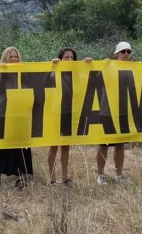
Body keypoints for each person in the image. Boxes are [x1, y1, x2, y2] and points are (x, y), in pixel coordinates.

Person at [0, 47, 33, 188]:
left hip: (19, 115)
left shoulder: (23, 73)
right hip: (2, 113)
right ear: (5, 58)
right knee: (0, 146)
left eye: (15, 57)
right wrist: (2, 70)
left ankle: (19, 177)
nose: (13, 59)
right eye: (10, 57)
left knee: (19, 146)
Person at [47, 47, 90, 185]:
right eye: (66, 57)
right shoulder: (55, 73)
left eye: (72, 57)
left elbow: (89, 78)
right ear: (60, 58)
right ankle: (52, 178)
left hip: (70, 113)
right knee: (54, 146)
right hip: (55, 113)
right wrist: (53, 66)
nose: (69, 60)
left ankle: (65, 177)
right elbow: (45, 80)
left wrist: (87, 64)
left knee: (66, 146)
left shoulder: (76, 74)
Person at [96, 41, 133, 185]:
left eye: (128, 52)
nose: (126, 54)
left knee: (120, 144)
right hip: (107, 110)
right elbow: (94, 76)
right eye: (123, 51)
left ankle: (119, 175)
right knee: (103, 144)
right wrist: (102, 64)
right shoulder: (107, 66)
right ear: (116, 54)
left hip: (123, 111)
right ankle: (100, 175)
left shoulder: (133, 69)